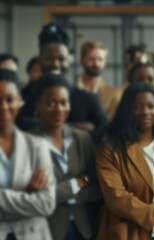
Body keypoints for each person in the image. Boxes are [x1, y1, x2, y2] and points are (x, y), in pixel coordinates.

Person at [30, 74, 101, 240]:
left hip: (84, 228)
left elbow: (97, 188)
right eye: (50, 103)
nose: (59, 109)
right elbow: (35, 198)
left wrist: (60, 195)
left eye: (64, 102)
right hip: (46, 230)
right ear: (37, 106)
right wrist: (77, 183)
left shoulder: (82, 138)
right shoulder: (28, 143)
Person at [96, 83, 154, 240]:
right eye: (137, 107)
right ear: (127, 110)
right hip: (129, 232)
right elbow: (116, 198)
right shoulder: (109, 149)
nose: (145, 112)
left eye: (151, 106)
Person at [17, 22, 109, 133]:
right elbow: (15, 124)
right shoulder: (23, 97)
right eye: (49, 58)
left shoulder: (88, 99)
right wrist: (75, 126)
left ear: (69, 62)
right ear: (40, 60)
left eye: (61, 59)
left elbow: (105, 129)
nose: (55, 64)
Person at [0, 69, 55, 240]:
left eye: (9, 99)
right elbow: (37, 204)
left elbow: (47, 204)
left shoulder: (37, 145)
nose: (3, 107)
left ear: (19, 101)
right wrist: (28, 193)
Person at [74, 40, 118, 120]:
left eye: (100, 59)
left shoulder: (113, 94)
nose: (96, 64)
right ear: (81, 61)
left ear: (104, 62)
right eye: (91, 59)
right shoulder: (69, 90)